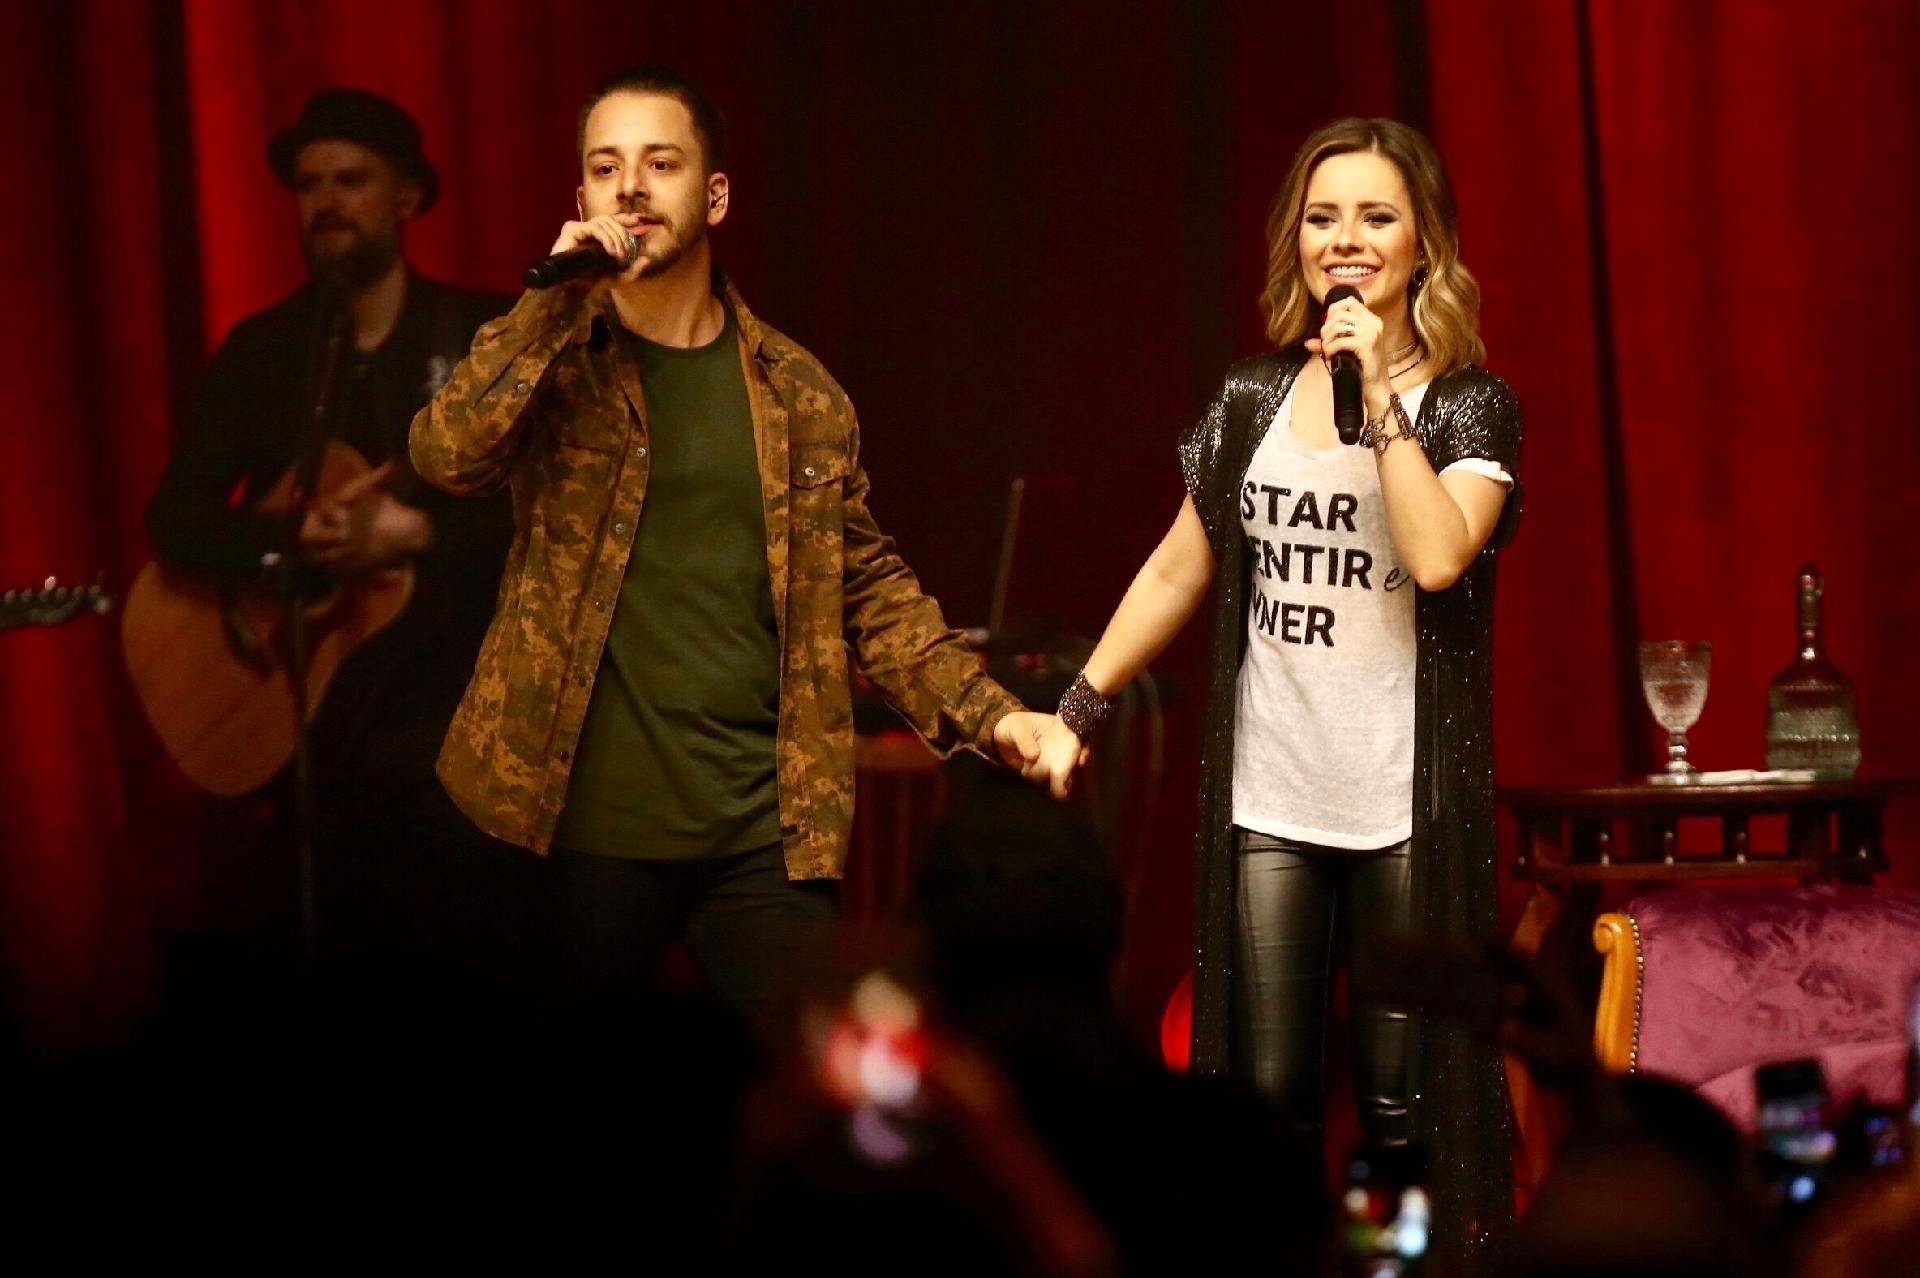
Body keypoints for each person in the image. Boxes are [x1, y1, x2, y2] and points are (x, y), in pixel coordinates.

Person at [409, 66, 1052, 1030]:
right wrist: (550, 302)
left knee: (795, 1090)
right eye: (606, 167)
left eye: (659, 163)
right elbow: (446, 455)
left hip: (762, 830)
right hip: (574, 830)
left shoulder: (799, 393)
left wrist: (996, 718)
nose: (631, 187)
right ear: (581, 197)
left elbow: (869, 589)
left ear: (713, 196)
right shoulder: (554, 359)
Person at [1028, 116, 1524, 1269]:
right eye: (1322, 216)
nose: (1345, 239)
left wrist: (1379, 393)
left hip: (1402, 810)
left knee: (1398, 1117)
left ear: (1424, 244)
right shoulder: (1251, 400)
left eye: (1376, 217)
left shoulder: (1470, 405)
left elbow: (1438, 555)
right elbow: (1178, 568)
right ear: (1294, 239)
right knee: (1266, 1111)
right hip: (1274, 803)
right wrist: (1077, 709)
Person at [146, 88, 517, 982]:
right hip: (314, 733)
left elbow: (558, 518)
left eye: (351, 181)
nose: (324, 203)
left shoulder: (480, 341)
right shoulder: (266, 351)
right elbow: (175, 519)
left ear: (407, 198)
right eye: (310, 185)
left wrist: (418, 535)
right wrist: (291, 539)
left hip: (458, 727)